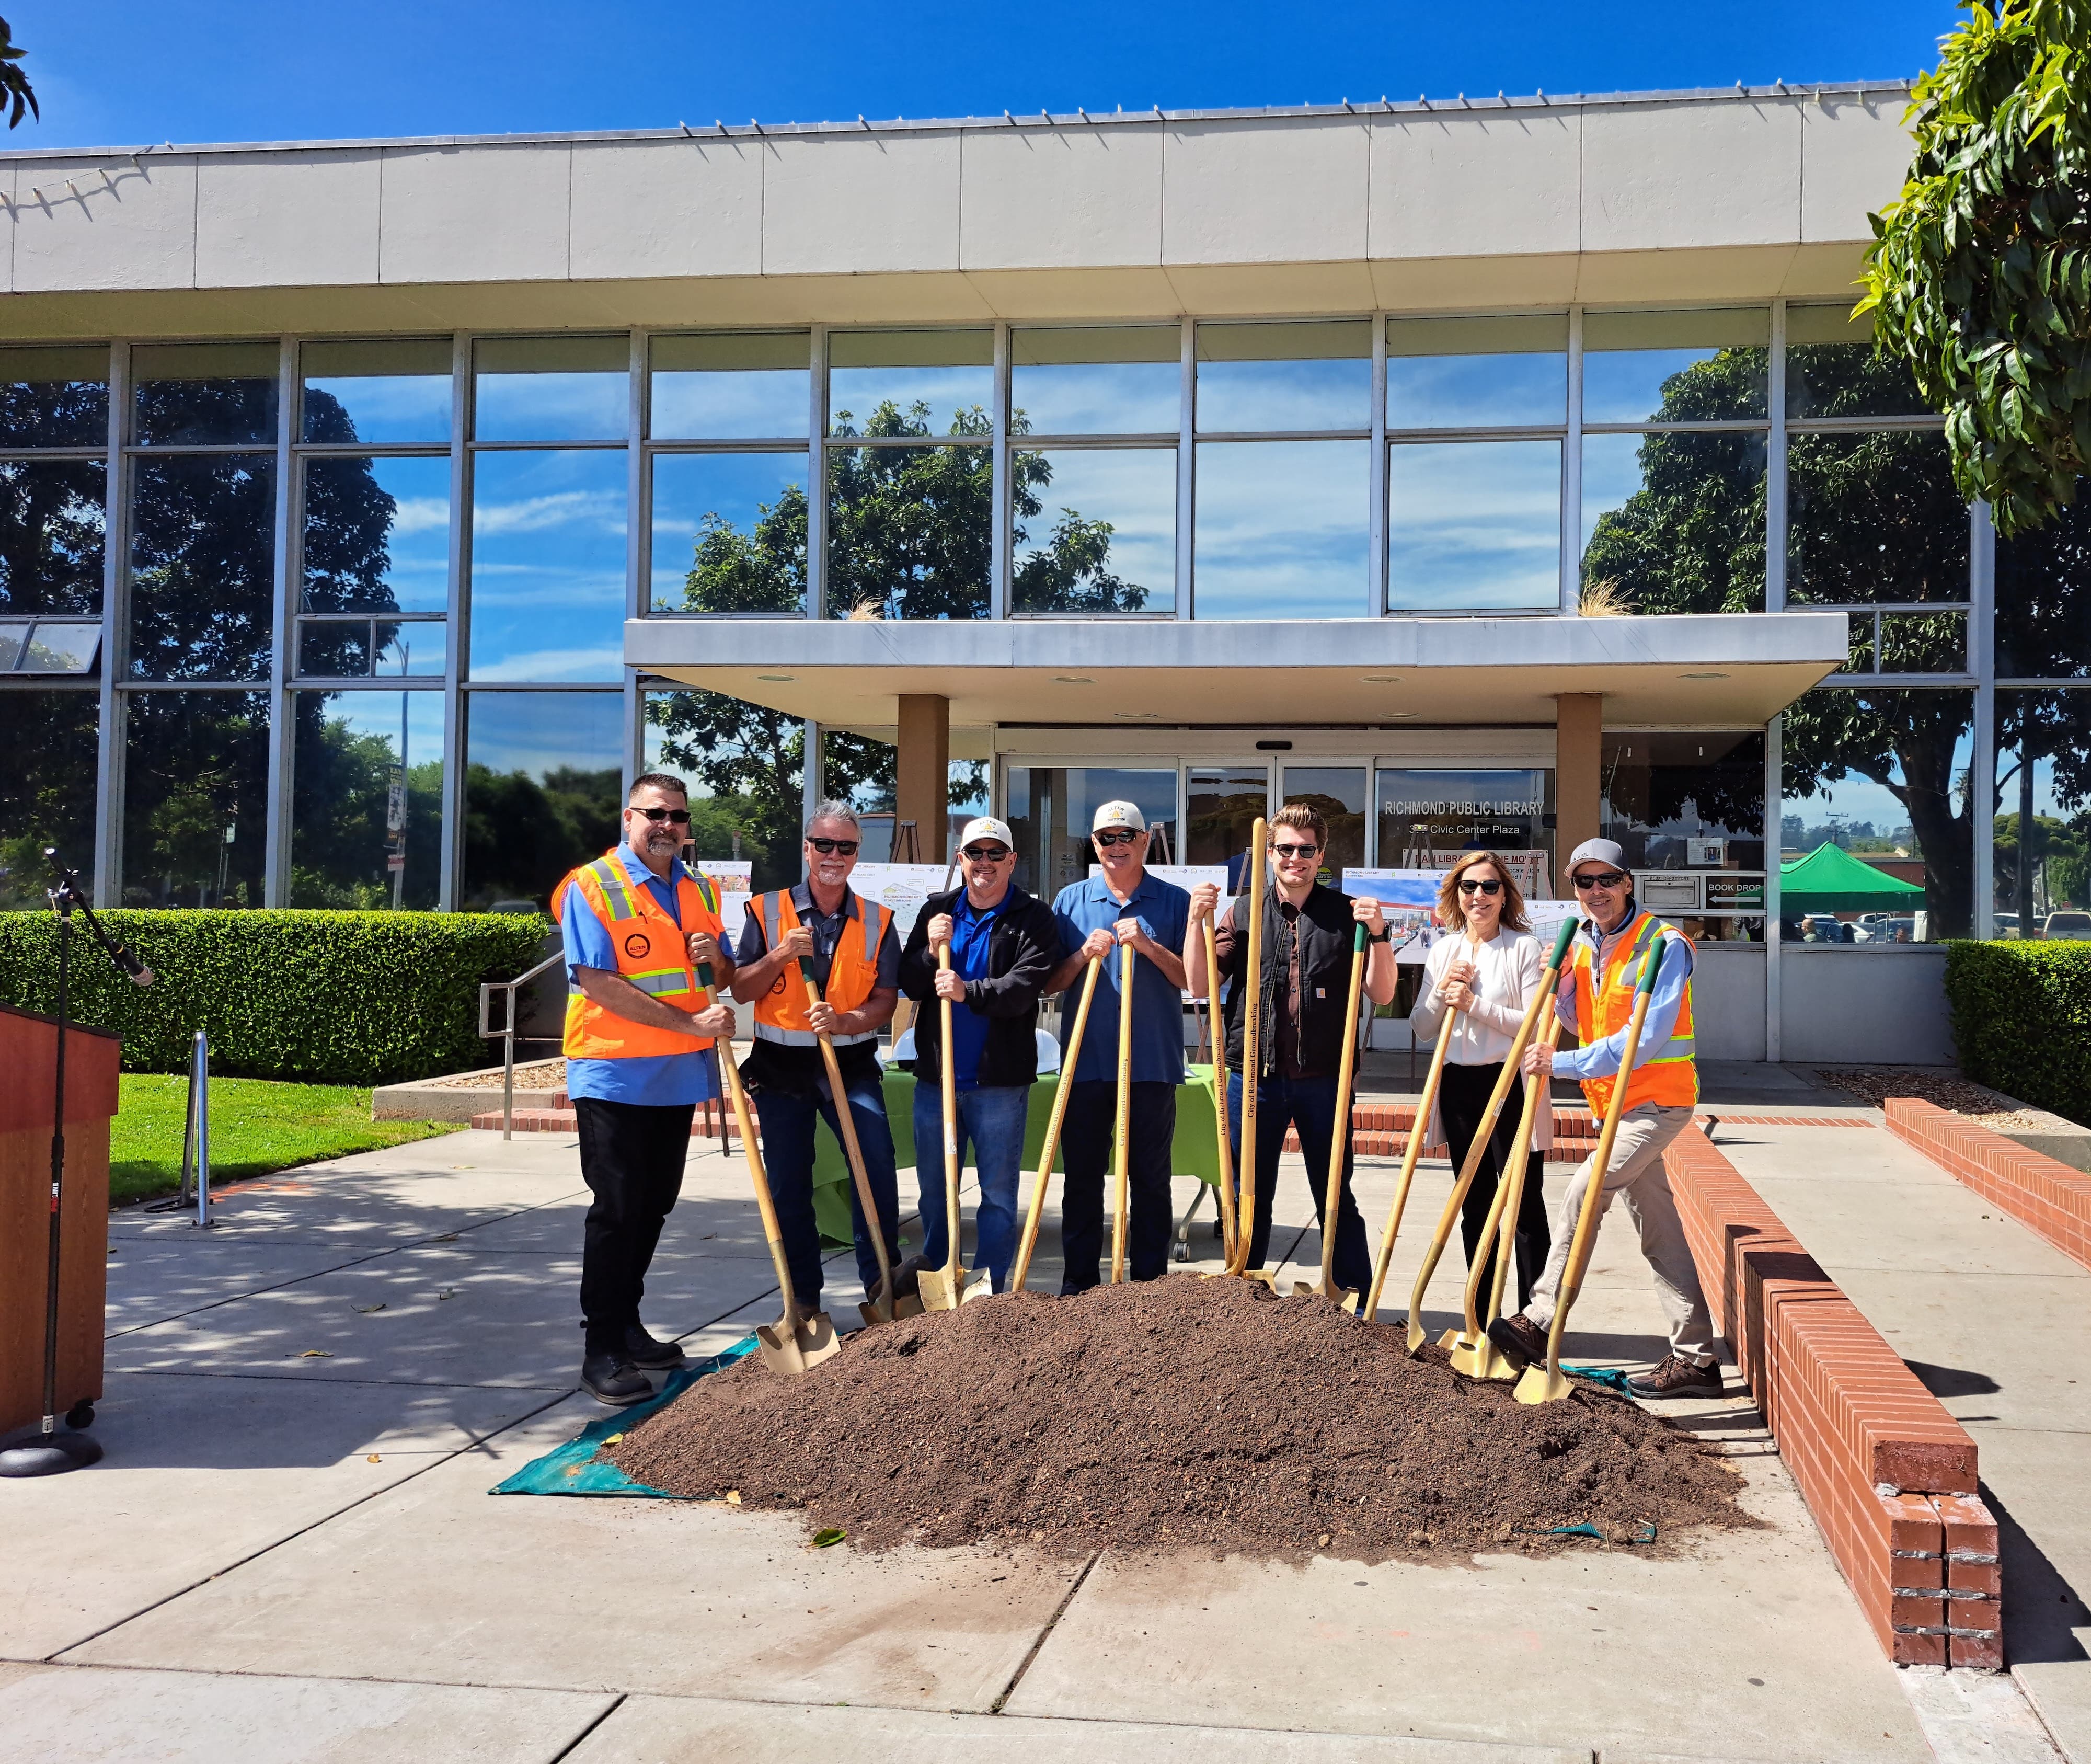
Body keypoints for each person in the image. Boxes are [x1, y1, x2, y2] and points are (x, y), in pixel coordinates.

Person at [1486, 838, 1722, 1398]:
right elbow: (1576, 1016)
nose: (1596, 892)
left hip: (1656, 1102)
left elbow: (1645, 1036)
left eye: (1606, 880)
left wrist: (1560, 1062)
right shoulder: (1588, 943)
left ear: (1627, 882)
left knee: (1583, 1190)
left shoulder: (1664, 945)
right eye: (1584, 882)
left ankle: (1539, 1317)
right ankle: (1697, 1359)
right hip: (1612, 1107)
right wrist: (1562, 981)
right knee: (1659, 1232)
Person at [559, 772, 736, 1405]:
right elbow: (596, 980)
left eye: (679, 817)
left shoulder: (701, 888)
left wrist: (713, 955)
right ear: (628, 817)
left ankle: (628, 1324)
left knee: (655, 1202)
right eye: (656, 813)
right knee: (617, 1206)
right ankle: (600, 1345)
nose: (668, 825)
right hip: (614, 1072)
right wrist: (691, 1022)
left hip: (676, 1074)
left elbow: (728, 974)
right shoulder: (594, 885)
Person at [1184, 801, 1396, 1293]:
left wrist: (1380, 934)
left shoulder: (1347, 916)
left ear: (1321, 855)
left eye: (1305, 850)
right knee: (1247, 1191)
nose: (1294, 859)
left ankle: (1353, 1300)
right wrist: (1197, 923)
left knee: (1334, 1191)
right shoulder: (1242, 914)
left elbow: (1382, 994)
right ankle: (1245, 1291)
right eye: (1284, 849)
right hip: (1253, 1076)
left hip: (1325, 1076)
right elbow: (1200, 983)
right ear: (1269, 853)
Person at [729, 801, 903, 1320]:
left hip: (849, 1062)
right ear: (806, 848)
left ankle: (881, 1283)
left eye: (844, 847)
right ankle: (802, 1297)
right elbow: (740, 988)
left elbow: (886, 998)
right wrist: (780, 954)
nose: (833, 855)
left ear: (856, 854)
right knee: (788, 1180)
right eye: (823, 844)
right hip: (780, 1067)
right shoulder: (765, 910)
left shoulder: (878, 919)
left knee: (874, 1165)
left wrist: (848, 1020)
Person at [896, 816, 1060, 1292]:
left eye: (995, 854)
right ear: (960, 859)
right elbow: (907, 981)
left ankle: (991, 1293)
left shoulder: (1033, 917)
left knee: (998, 1197)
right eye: (975, 854)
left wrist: (969, 991)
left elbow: (1026, 987)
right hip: (938, 1082)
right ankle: (940, 1280)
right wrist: (930, 951)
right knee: (935, 1192)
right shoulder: (938, 911)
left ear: (1012, 861)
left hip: (998, 1085)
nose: (984, 863)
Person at [1042, 800, 1192, 1291]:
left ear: (1145, 841)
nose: (1116, 846)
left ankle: (1149, 1289)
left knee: (1150, 1181)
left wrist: (1149, 946)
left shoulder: (1174, 902)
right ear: (1094, 843)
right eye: (1106, 838)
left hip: (1150, 1063)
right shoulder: (1070, 901)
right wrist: (1083, 954)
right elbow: (1050, 984)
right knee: (1082, 1181)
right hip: (1085, 1065)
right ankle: (1079, 1288)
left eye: (1126, 836)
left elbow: (1193, 980)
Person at [1407, 850, 1553, 1313]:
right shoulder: (1444, 949)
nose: (1479, 897)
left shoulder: (1522, 947)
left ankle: (1534, 1316)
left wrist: (1473, 1004)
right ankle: (1482, 1310)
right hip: (1459, 1087)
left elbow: (1532, 1025)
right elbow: (1422, 1027)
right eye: (1469, 887)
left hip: (1510, 1084)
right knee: (1473, 1200)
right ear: (1456, 895)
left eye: (1490, 887)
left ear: (1505, 894)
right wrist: (1441, 993)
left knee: (1523, 1202)